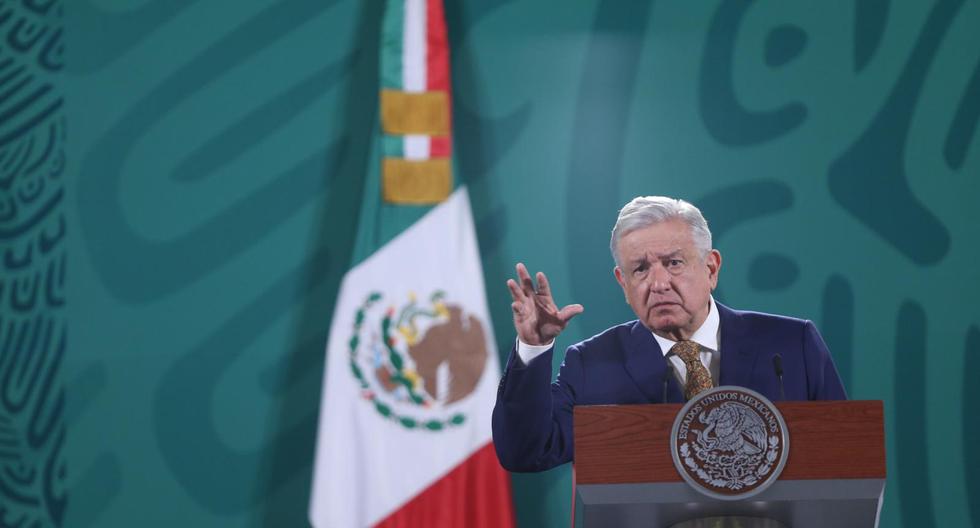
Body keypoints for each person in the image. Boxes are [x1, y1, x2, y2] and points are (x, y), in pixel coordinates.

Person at [491, 196, 846, 473]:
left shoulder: (790, 345)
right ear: (623, 283)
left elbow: (846, 458)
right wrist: (534, 348)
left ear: (711, 268)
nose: (658, 283)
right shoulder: (593, 364)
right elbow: (526, 451)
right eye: (640, 269)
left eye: (674, 263)